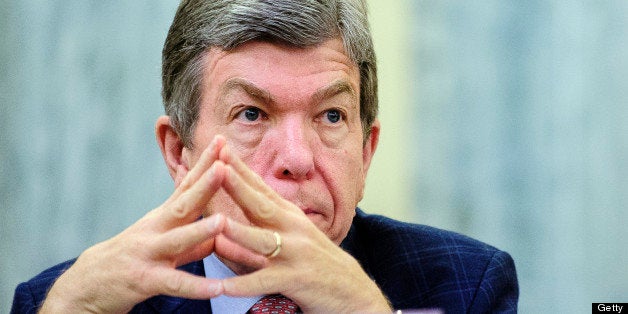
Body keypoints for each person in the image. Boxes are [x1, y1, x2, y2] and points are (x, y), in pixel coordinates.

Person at [11, 0, 519, 313]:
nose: (296, 159)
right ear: (179, 153)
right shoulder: (73, 303)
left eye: (332, 116)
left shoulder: (467, 286)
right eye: (252, 114)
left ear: (366, 152)